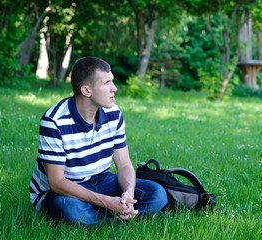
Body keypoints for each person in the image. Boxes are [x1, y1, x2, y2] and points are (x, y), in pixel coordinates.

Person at [29, 56, 167, 227]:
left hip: (102, 181)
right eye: (107, 83)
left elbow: (124, 164)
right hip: (64, 191)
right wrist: (107, 202)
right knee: (69, 209)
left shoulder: (113, 113)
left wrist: (128, 196)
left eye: (113, 81)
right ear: (86, 90)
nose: (114, 88)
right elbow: (56, 182)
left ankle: (108, 216)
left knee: (157, 193)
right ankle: (111, 217)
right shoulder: (54, 120)